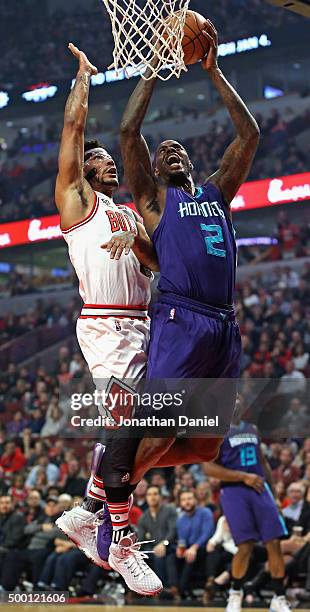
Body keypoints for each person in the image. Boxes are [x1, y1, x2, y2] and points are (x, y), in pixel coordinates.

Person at [120, 19, 260, 481]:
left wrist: (214, 71)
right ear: (155, 170)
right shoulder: (156, 202)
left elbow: (249, 136)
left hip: (224, 322)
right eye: (162, 153)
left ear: (193, 162)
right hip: (182, 320)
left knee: (204, 446)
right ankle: (103, 499)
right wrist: (152, 69)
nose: (171, 151)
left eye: (178, 148)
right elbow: (127, 132)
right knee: (160, 433)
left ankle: (117, 467)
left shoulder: (216, 193)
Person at [54, 42, 161, 595]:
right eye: (100, 160)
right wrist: (84, 82)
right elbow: (73, 133)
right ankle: (118, 540)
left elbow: (160, 264)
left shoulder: (130, 212)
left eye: (110, 160)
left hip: (147, 324)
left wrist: (140, 242)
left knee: (152, 434)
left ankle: (89, 508)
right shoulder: (78, 202)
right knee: (126, 426)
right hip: (107, 326)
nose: (108, 163)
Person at [204, 414, 291, 612]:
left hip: (260, 486)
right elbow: (208, 467)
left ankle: (279, 598)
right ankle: (235, 594)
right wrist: (243, 477)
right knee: (245, 545)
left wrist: (275, 496)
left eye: (237, 397)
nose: (235, 402)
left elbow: (263, 462)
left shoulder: (252, 428)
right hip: (234, 489)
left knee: (275, 541)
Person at [176, 489, 214, 597]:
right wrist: (180, 548)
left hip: (205, 548)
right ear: (180, 503)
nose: (187, 502)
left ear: (195, 500)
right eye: (183, 500)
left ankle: (182, 589)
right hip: (189, 548)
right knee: (172, 554)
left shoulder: (205, 512)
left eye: (189, 499)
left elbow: (207, 533)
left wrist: (194, 547)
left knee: (191, 556)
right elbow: (182, 539)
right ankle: (170, 587)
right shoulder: (181, 519)